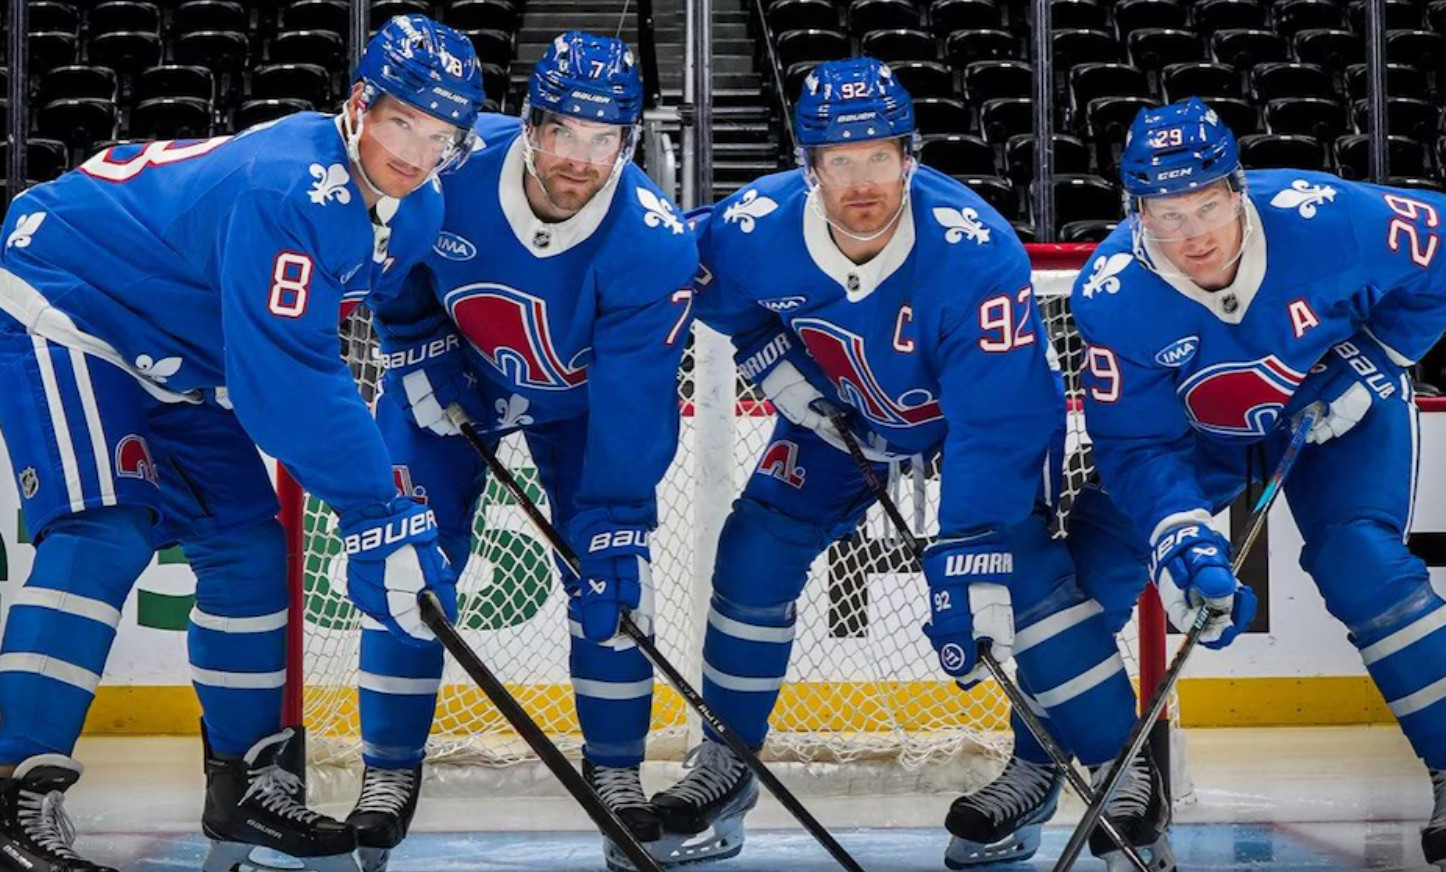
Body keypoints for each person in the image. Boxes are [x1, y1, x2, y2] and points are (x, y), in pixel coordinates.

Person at [651, 57, 1172, 872]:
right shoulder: (754, 225)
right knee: (754, 548)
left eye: (880, 156)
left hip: (976, 428)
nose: (863, 180)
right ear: (809, 166)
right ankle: (727, 762)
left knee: (1025, 581)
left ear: (910, 155)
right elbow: (693, 278)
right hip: (847, 416)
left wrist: (972, 550)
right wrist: (765, 351)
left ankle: (1111, 773)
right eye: (840, 160)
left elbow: (997, 423)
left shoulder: (974, 251)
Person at [0, 14, 484, 872]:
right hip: (70, 295)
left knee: (252, 550)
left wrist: (433, 359)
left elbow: (386, 301)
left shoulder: (417, 205)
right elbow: (288, 378)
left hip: (181, 346)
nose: (416, 150)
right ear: (360, 105)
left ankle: (248, 791)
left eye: (440, 134)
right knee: (104, 529)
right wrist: (380, 516)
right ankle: (13, 792)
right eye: (403, 120)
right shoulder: (287, 189)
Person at [352, 31, 698, 872]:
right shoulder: (450, 170)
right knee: (409, 566)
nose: (581, 159)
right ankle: (386, 773)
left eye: (603, 138)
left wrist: (614, 518)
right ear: (532, 124)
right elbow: (393, 268)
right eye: (565, 133)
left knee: (613, 581)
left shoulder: (651, 238)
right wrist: (411, 344)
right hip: (451, 382)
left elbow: (634, 398)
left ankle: (615, 771)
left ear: (629, 140)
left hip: (581, 413)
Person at [1070, 96, 1446, 870]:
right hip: (1195, 437)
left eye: (1206, 205)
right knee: (1087, 568)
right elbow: (1137, 447)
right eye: (1166, 215)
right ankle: (1056, 768)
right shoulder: (1110, 293)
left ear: (1238, 188)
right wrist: (1180, 537)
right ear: (1135, 212)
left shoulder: (1329, 217)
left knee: (1361, 564)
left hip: (1334, 405)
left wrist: (1378, 356)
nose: (1193, 234)